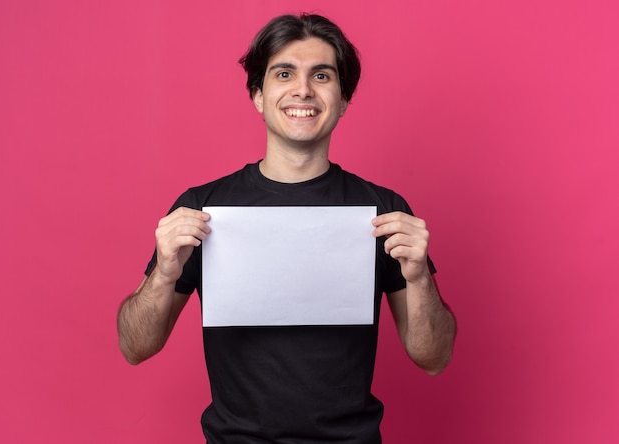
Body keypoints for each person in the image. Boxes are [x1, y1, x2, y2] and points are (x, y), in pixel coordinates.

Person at [117, 13, 456, 443]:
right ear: (258, 95)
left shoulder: (384, 211)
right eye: (284, 73)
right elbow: (135, 347)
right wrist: (164, 273)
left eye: (321, 75)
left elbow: (434, 358)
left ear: (344, 100)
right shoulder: (204, 208)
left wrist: (419, 275)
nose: (303, 90)